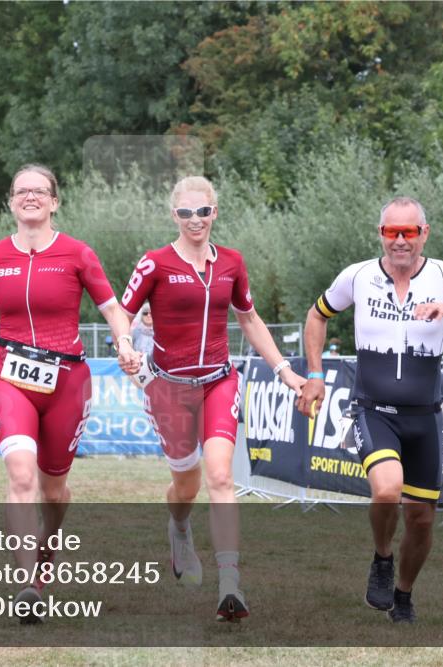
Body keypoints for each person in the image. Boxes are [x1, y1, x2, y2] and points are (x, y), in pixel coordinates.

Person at [0, 163, 141, 623]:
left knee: (54, 491)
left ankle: (43, 564)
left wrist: (125, 342)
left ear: (54, 202)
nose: (30, 197)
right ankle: (26, 583)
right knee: (20, 475)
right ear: (11, 202)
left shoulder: (77, 253)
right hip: (8, 376)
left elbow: (112, 308)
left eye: (39, 191)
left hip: (68, 380)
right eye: (21, 191)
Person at [296, 196, 443, 623]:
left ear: (425, 233)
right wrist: (314, 374)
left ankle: (404, 595)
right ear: (381, 234)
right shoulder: (358, 276)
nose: (401, 241)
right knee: (388, 489)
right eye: (392, 232)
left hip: (424, 416)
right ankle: (382, 558)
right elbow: (316, 317)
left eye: (409, 232)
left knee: (422, 519)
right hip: (373, 410)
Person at [120, 176, 306, 622]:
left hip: (219, 381)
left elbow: (250, 318)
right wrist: (125, 346)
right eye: (185, 213)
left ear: (214, 212)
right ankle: (179, 527)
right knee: (186, 483)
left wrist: (285, 371)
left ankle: (230, 583)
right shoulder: (154, 264)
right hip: (168, 386)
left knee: (221, 476)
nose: (195, 220)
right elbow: (121, 314)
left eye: (202, 212)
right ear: (174, 216)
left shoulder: (232, 263)